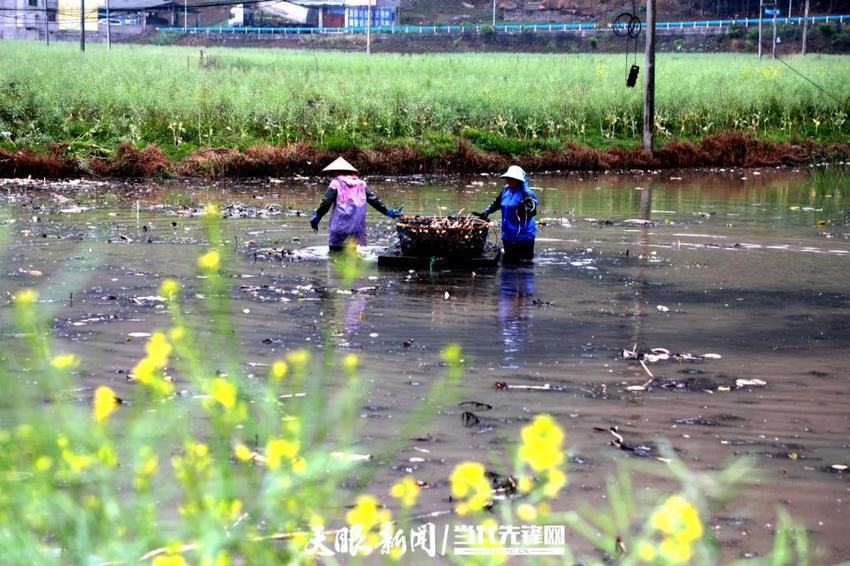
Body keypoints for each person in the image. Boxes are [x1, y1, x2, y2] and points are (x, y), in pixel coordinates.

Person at [310, 157, 403, 251]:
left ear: (336, 171)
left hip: (339, 227)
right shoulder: (361, 184)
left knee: (335, 256)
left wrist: (318, 216)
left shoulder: (336, 183)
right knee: (353, 258)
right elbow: (374, 200)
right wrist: (387, 212)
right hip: (356, 228)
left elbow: (326, 202)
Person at [473, 165, 538, 263]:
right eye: (509, 178)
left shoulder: (527, 194)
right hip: (508, 236)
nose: (510, 180)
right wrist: (485, 213)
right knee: (508, 265)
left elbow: (532, 210)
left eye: (513, 179)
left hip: (524, 237)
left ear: (519, 180)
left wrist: (524, 209)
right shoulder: (505, 191)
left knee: (524, 265)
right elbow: (496, 204)